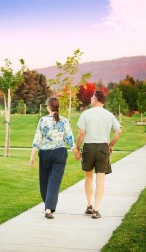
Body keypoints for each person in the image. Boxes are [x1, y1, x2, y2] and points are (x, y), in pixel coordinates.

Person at [30, 97, 80, 219]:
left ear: (48, 107)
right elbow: (69, 138)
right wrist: (75, 151)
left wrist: (32, 155)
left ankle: (48, 207)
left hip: (45, 153)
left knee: (44, 181)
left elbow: (38, 137)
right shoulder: (64, 121)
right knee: (54, 182)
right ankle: (49, 206)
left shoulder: (43, 120)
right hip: (59, 153)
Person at [76, 90, 122, 219]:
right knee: (100, 180)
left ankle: (89, 205)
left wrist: (78, 149)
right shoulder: (109, 115)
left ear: (95, 100)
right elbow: (118, 131)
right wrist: (110, 145)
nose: (91, 100)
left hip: (89, 148)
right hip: (103, 148)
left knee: (88, 177)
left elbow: (81, 133)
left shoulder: (86, 114)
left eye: (92, 98)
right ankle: (96, 210)